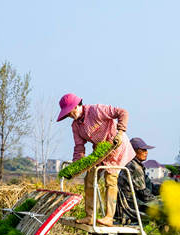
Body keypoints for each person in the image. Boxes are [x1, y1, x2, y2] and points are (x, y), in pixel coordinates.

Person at [57, 93, 134, 226]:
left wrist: (120, 132)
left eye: (70, 112)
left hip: (116, 146)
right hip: (99, 151)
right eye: (67, 114)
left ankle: (109, 217)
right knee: (89, 178)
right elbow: (79, 147)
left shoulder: (96, 110)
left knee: (110, 178)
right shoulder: (76, 126)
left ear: (76, 106)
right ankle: (90, 215)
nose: (70, 115)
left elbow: (122, 112)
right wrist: (78, 165)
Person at [116, 137, 158, 224]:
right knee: (165, 211)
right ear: (133, 151)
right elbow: (143, 194)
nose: (146, 152)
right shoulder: (135, 167)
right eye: (142, 150)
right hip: (132, 206)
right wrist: (158, 202)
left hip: (132, 203)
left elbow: (150, 186)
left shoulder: (134, 165)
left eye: (146, 150)